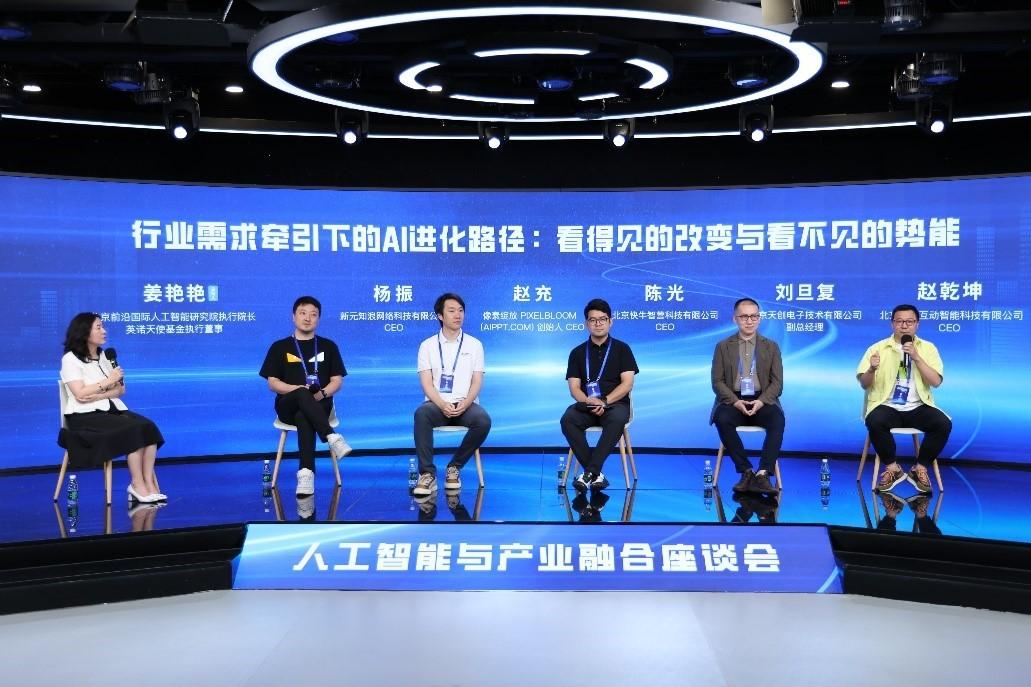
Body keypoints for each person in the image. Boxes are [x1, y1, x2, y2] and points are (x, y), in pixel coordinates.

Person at [59, 312, 166, 503]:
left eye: (103, 326)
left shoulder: (104, 356)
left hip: (111, 410)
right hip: (84, 416)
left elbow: (120, 390)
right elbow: (80, 393)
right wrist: (108, 382)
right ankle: (137, 485)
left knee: (148, 427)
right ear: (84, 332)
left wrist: (100, 394)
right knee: (134, 429)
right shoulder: (70, 359)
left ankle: (149, 483)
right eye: (98, 327)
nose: (104, 331)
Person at [259, 296, 351, 497]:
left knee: (304, 416)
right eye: (303, 313)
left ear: (318, 319)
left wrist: (322, 393)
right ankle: (331, 436)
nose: (308, 318)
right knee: (301, 393)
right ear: (294, 317)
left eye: (313, 314)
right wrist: (298, 390)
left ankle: (306, 474)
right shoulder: (279, 347)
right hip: (287, 405)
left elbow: (337, 381)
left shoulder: (329, 346)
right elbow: (272, 383)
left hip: (320, 404)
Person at [857, 304, 951, 494]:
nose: (904, 326)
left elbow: (936, 382)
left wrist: (917, 358)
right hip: (887, 405)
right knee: (874, 420)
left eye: (909, 321)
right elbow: (864, 384)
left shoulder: (928, 348)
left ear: (917, 324)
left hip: (918, 407)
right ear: (892, 324)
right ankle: (893, 469)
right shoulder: (877, 348)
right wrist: (872, 369)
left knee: (943, 423)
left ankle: (920, 468)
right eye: (899, 321)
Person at [412, 293, 491, 497]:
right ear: (440, 315)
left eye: (461, 310)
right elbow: (426, 383)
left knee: (483, 420)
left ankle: (454, 466)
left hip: (465, 405)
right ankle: (427, 474)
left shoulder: (474, 344)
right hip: (436, 405)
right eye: (452, 310)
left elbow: (477, 381)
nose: (458, 315)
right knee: (421, 414)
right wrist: (441, 403)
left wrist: (466, 403)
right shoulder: (427, 346)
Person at [561, 298, 639, 493]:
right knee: (568, 419)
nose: (598, 323)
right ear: (586, 324)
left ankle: (589, 473)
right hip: (587, 404)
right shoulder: (577, 353)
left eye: (602, 319)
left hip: (614, 404)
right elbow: (574, 388)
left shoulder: (622, 349)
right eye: (593, 320)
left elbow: (627, 383)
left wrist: (604, 401)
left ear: (610, 321)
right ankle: (596, 475)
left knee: (617, 419)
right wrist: (589, 401)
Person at [710, 297, 785, 495]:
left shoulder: (771, 346)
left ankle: (763, 474)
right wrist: (735, 402)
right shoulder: (723, 346)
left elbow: (778, 384)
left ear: (759, 318)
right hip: (732, 399)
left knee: (777, 419)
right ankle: (746, 471)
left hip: (763, 399)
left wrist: (761, 401)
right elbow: (717, 382)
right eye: (744, 317)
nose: (749, 321)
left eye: (754, 316)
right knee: (722, 418)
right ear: (735, 319)